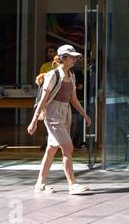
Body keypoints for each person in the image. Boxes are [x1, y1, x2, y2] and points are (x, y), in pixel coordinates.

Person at [27, 44, 92, 194]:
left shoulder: (72, 75)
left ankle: (39, 184)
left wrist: (84, 114)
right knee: (68, 148)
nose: (75, 59)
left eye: (75, 57)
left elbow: (73, 99)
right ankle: (72, 185)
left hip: (65, 112)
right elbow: (43, 100)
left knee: (51, 149)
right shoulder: (53, 75)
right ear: (64, 58)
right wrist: (34, 120)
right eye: (72, 57)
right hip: (53, 114)